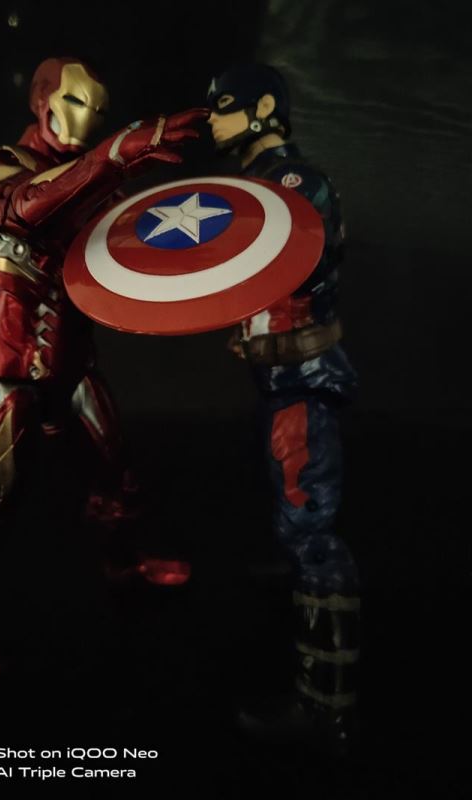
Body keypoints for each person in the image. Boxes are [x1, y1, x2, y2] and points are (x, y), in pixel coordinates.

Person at [0, 56, 205, 676]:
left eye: (99, 111)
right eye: (77, 102)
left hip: (75, 368)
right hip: (8, 372)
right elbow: (26, 207)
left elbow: (135, 261)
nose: (89, 119)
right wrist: (116, 157)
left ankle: (122, 566)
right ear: (42, 101)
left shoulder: (98, 192)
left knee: (120, 483)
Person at [207, 64, 360, 754]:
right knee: (292, 507)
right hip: (281, 379)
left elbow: (299, 264)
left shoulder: (293, 184)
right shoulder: (258, 186)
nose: (213, 119)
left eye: (225, 105)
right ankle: (294, 579)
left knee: (312, 533)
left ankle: (325, 703)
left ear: (265, 107)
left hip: (303, 378)